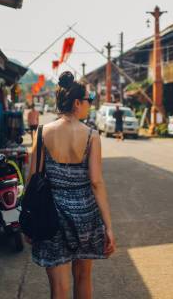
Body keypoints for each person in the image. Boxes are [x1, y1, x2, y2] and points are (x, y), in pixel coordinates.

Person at [26, 71, 115, 299]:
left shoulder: (43, 132)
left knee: (59, 288)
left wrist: (26, 218)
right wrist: (108, 226)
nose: (90, 105)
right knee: (83, 278)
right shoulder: (91, 135)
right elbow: (96, 182)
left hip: (51, 215)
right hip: (85, 215)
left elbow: (33, 178)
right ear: (77, 103)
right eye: (88, 101)